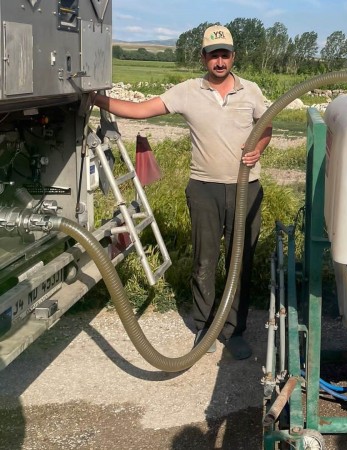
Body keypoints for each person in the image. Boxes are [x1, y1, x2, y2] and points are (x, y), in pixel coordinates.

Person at [91, 25, 272, 360]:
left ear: (233, 56)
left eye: (225, 54)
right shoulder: (188, 91)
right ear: (203, 57)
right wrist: (95, 98)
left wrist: (259, 148)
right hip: (204, 188)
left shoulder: (251, 91)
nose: (220, 61)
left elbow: (267, 126)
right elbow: (141, 109)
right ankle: (203, 326)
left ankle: (234, 331)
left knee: (240, 261)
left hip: (247, 188)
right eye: (213, 54)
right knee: (204, 260)